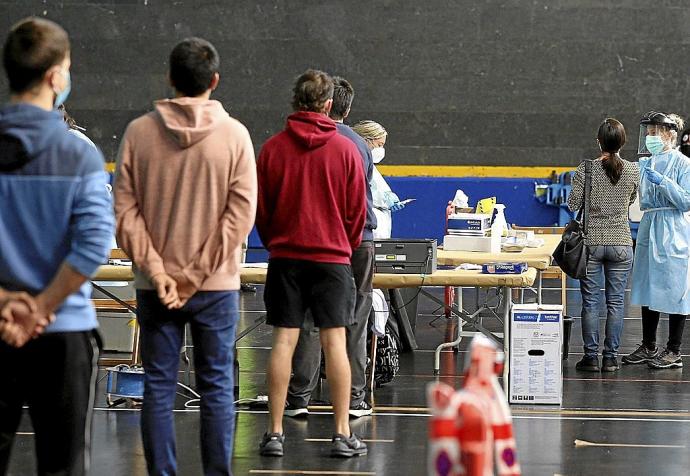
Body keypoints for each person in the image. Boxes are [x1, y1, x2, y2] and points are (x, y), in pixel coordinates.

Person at [114, 37, 257, 475]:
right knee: (216, 387)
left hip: (156, 290)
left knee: (158, 385)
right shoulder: (235, 136)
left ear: (170, 79)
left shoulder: (139, 133)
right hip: (214, 288)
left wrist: (159, 273)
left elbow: (125, 213)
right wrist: (196, 274)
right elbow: (241, 215)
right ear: (214, 81)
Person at [0, 17, 113, 475]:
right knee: (63, 466)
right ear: (55, 77)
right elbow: (92, 246)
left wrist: (7, 303)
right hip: (64, 332)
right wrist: (42, 307)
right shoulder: (79, 154)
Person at [256, 69, 368, 458]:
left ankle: (273, 434)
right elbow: (357, 213)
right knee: (335, 342)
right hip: (332, 259)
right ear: (328, 104)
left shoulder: (272, 149)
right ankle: (341, 434)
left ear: (295, 101)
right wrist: (342, 245)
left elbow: (263, 210)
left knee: (283, 341)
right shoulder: (346, 150)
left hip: (286, 258)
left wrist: (277, 244)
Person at [286, 76, 376, 419]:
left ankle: (299, 397)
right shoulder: (356, 145)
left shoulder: (294, 141)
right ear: (345, 108)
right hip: (354, 242)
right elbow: (359, 203)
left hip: (312, 240)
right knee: (354, 317)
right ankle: (353, 398)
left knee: (308, 318)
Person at [567, 118, 639, 372]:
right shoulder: (633, 170)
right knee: (616, 303)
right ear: (623, 142)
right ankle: (611, 358)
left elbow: (573, 204)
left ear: (598, 142)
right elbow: (631, 199)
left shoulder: (585, 170)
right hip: (621, 242)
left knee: (590, 302)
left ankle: (591, 357)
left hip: (592, 243)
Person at [624, 111, 690, 369]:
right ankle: (648, 344)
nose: (650, 137)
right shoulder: (647, 163)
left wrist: (664, 182)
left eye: (655, 133)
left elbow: (686, 201)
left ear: (670, 135)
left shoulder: (683, 164)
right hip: (650, 225)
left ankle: (673, 349)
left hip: (673, 228)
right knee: (648, 285)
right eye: (648, 133)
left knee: (675, 288)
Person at [351, 120, 406, 239]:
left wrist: (387, 197)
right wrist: (384, 199)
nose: (381, 149)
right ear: (365, 140)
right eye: (379, 145)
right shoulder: (355, 162)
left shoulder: (370, 165)